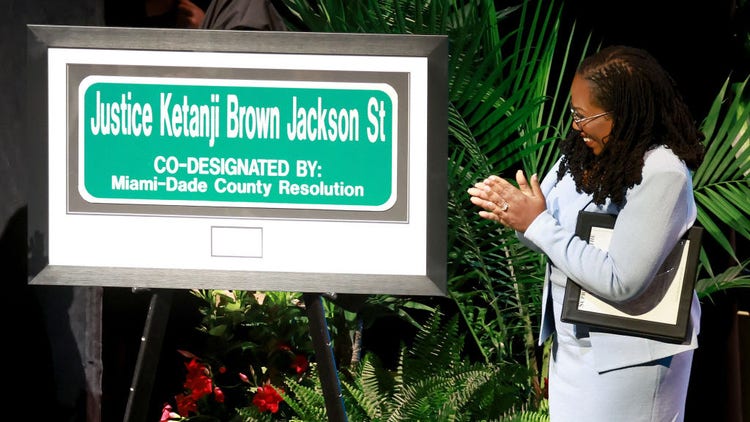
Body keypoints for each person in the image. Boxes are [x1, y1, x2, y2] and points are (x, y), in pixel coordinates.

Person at [468, 45, 705, 421]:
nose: (575, 125)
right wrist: (516, 214)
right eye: (573, 113)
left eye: (583, 116)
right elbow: (544, 234)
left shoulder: (663, 173)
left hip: (630, 360)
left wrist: (536, 222)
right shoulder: (577, 156)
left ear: (623, 114)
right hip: (572, 349)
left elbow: (621, 280)